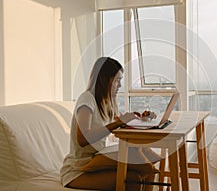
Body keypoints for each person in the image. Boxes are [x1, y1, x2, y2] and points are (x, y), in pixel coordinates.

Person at [60, 57, 160, 191]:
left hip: (96, 158)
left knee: (144, 158)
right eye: (117, 80)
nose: (119, 85)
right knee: (133, 178)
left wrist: (141, 118)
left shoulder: (108, 101)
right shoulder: (87, 99)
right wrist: (118, 123)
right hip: (78, 169)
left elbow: (119, 122)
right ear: (104, 79)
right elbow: (83, 139)